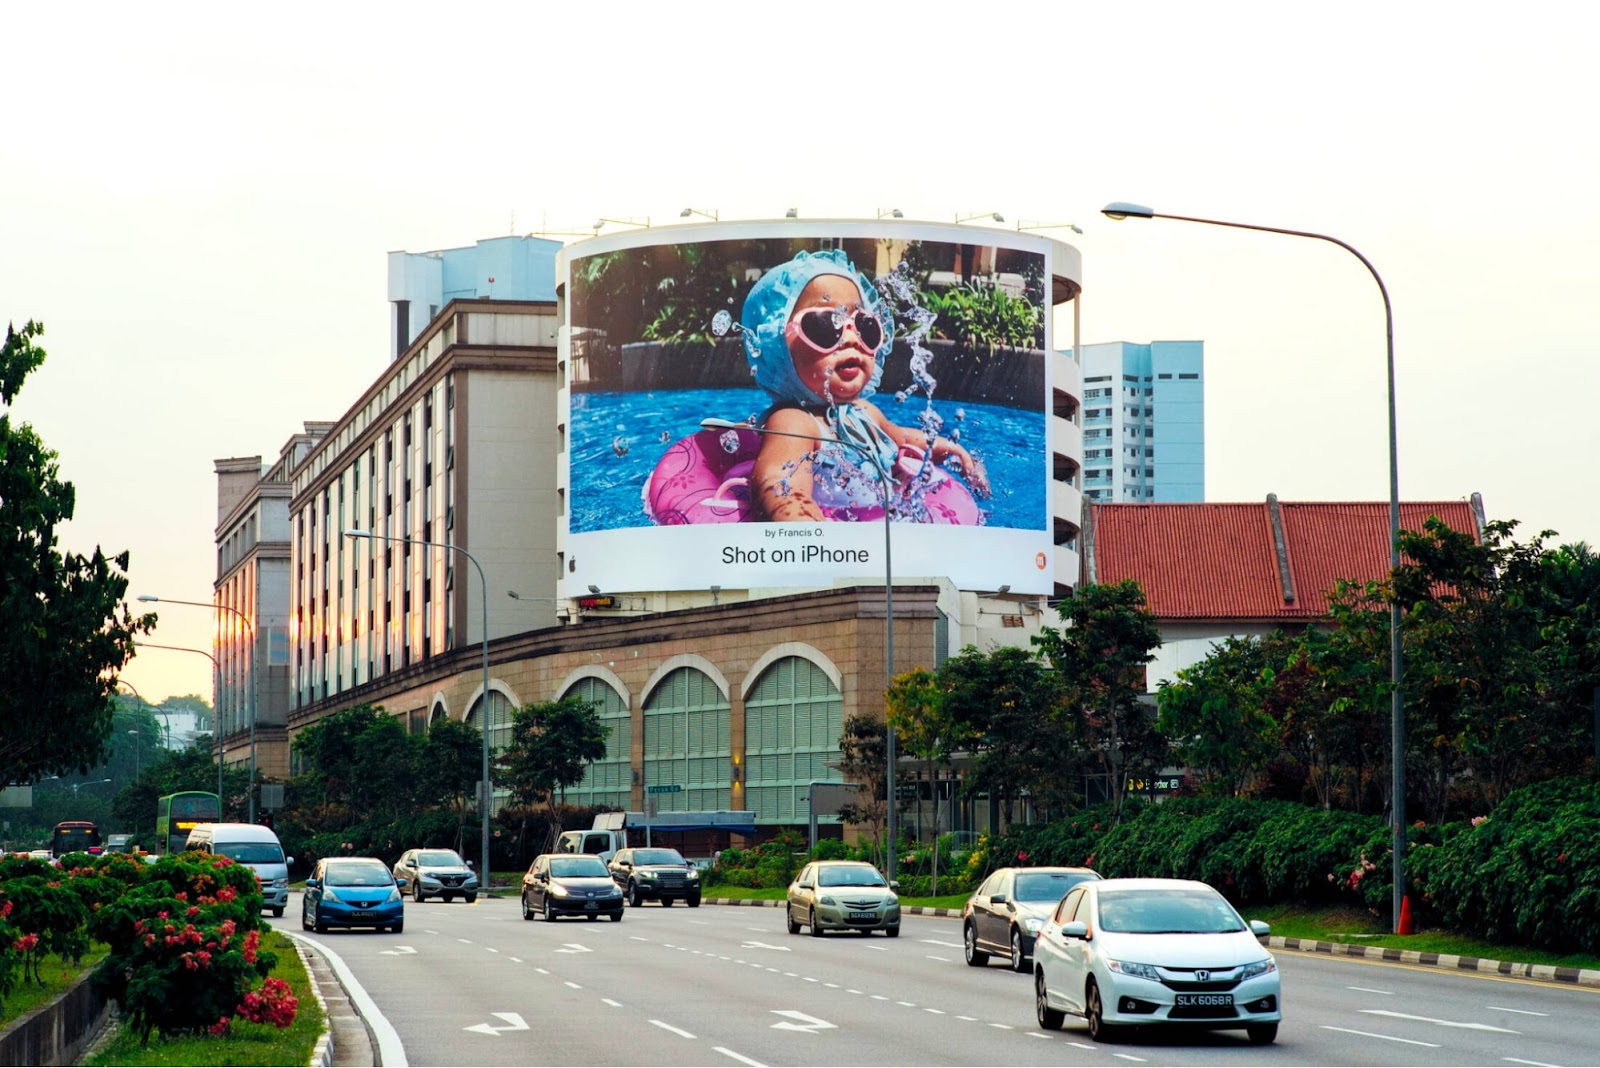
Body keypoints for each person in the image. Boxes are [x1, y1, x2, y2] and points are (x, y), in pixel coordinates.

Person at [740, 249, 990, 522]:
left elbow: (903, 438)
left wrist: (951, 450)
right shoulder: (794, 422)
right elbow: (778, 479)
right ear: (776, 347)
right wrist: (805, 529)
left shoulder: (865, 411)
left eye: (864, 325)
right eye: (825, 324)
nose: (850, 338)